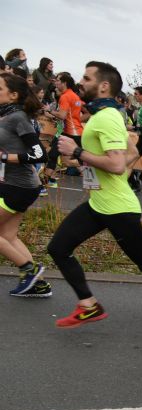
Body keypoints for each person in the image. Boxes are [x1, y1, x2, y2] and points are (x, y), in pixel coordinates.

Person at [46, 61, 142, 327]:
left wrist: (77, 153)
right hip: (99, 204)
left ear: (104, 85)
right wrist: (86, 162)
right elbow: (130, 153)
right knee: (58, 248)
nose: (81, 82)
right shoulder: (104, 115)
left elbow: (119, 163)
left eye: (86, 78)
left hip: (118, 208)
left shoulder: (107, 117)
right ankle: (88, 306)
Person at [0, 72, 51, 297]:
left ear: (13, 95)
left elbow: (40, 154)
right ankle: (38, 285)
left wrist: (4, 158)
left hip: (18, 186)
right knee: (8, 236)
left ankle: (29, 270)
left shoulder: (17, 117)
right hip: (20, 185)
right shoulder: (8, 116)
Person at [41, 72, 83, 189]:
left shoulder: (65, 96)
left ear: (64, 83)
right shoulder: (75, 96)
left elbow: (62, 115)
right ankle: (45, 184)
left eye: (58, 80)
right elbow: (86, 112)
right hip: (72, 131)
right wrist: (76, 120)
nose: (56, 82)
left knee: (81, 159)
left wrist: (49, 110)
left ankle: (96, 182)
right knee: (53, 155)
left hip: (70, 132)